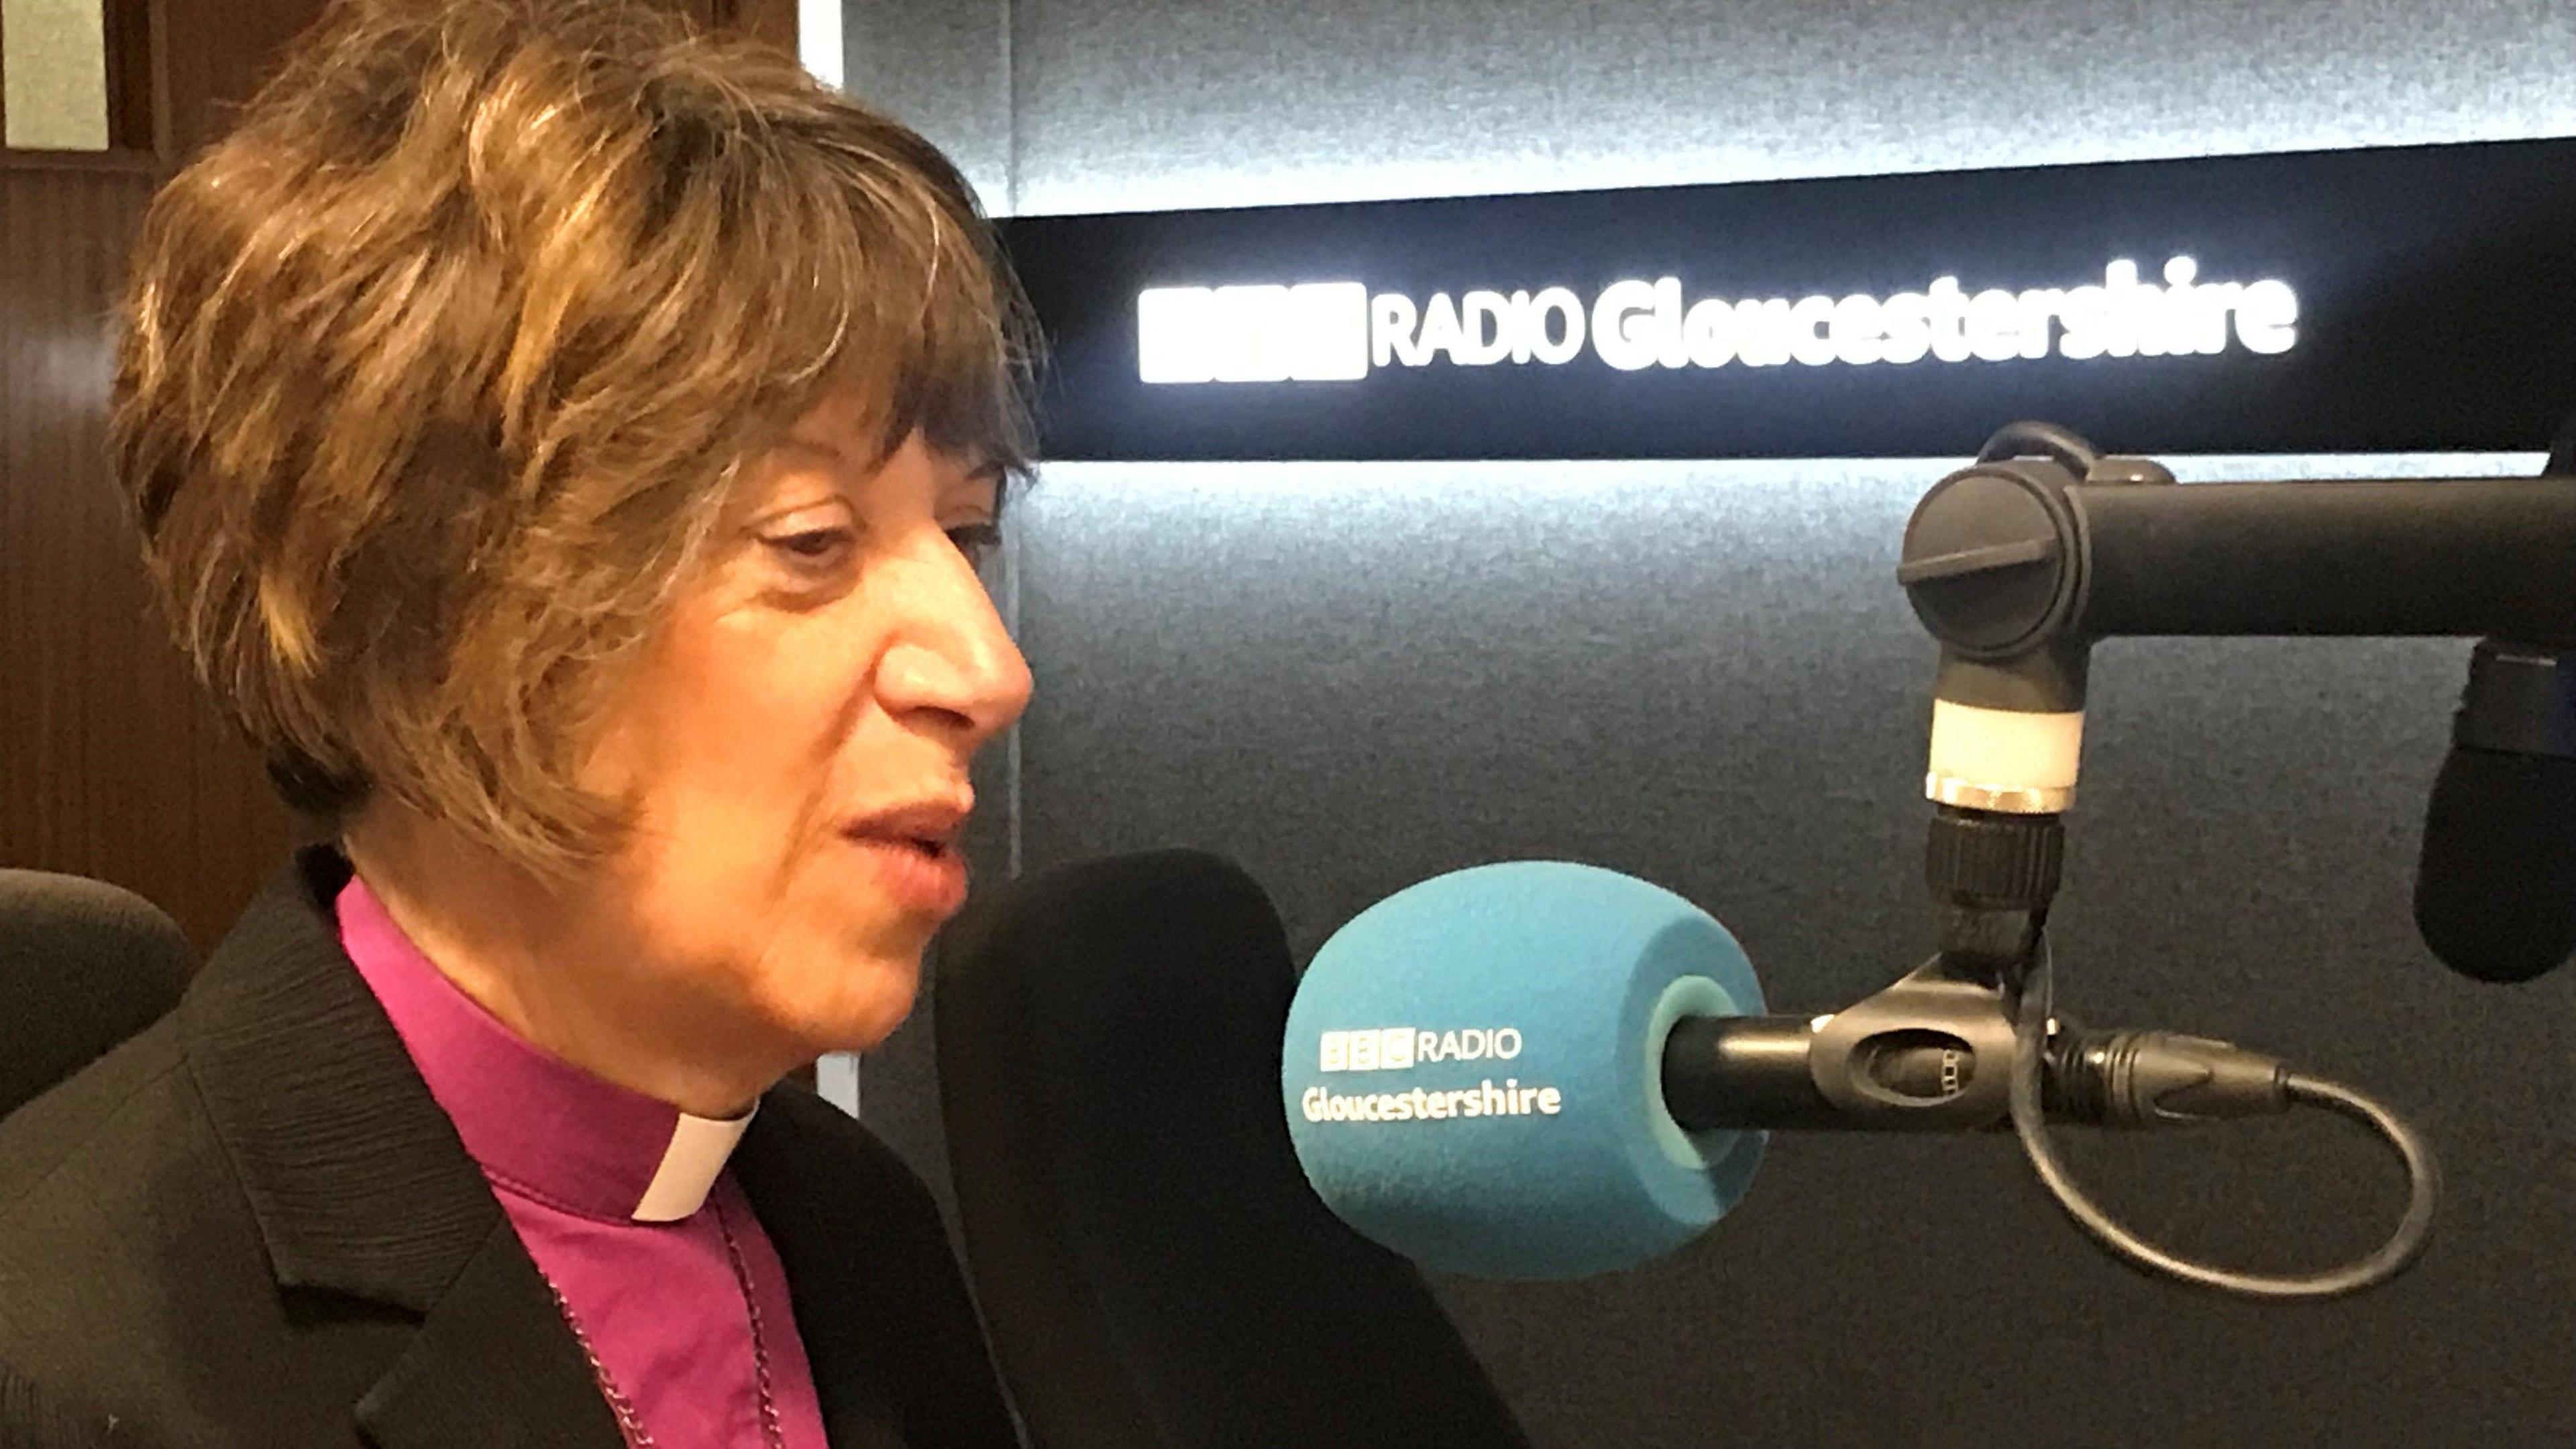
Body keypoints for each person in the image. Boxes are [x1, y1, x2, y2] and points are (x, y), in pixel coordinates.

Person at [0, 1, 1034, 1444]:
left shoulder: (858, 1223)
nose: (986, 670)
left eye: (969, 535)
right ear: (419, 600)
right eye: (811, 540)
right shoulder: (62, 1359)